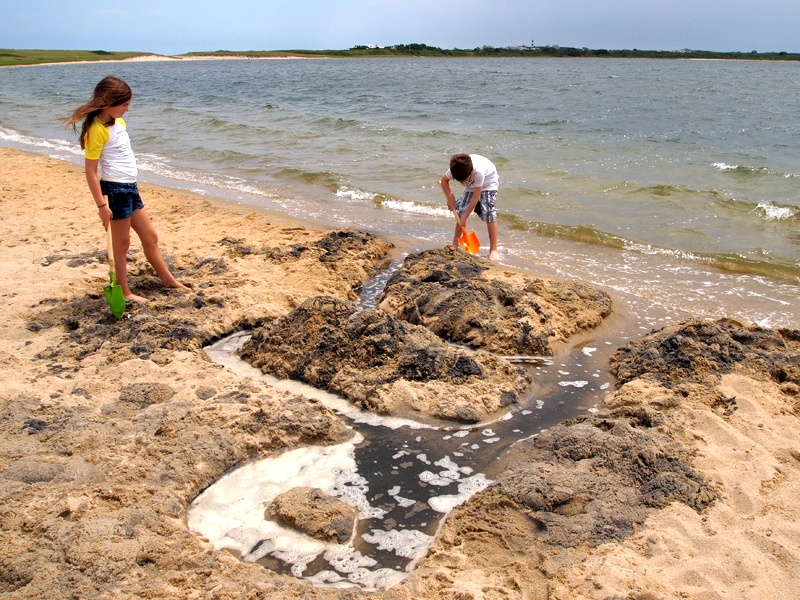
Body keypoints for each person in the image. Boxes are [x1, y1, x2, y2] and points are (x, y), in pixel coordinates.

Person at [66, 75, 187, 303]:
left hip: (130, 188)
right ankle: (125, 291)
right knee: (121, 244)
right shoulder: (96, 129)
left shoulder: (118, 123)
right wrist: (102, 206)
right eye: (124, 104)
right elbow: (91, 172)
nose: (127, 110)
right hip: (114, 191)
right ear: (108, 102)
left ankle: (168, 280)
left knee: (150, 237)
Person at [439, 153, 500, 260]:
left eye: (463, 180)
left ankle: (493, 250)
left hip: (488, 182)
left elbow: (475, 199)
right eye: (459, 181)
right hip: (472, 185)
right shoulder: (455, 170)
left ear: (470, 172)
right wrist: (450, 197)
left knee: (489, 212)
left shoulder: (479, 172)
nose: (462, 182)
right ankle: (455, 244)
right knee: (460, 211)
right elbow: (444, 181)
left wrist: (465, 218)